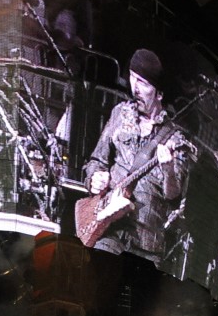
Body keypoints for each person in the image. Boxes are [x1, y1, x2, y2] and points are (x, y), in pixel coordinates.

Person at [78, 50, 191, 266]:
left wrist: (168, 170)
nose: (135, 89)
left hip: (146, 244)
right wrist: (94, 178)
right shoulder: (120, 114)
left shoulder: (176, 139)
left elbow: (173, 195)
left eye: (143, 83)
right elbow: (96, 161)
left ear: (159, 94)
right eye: (132, 78)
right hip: (109, 228)